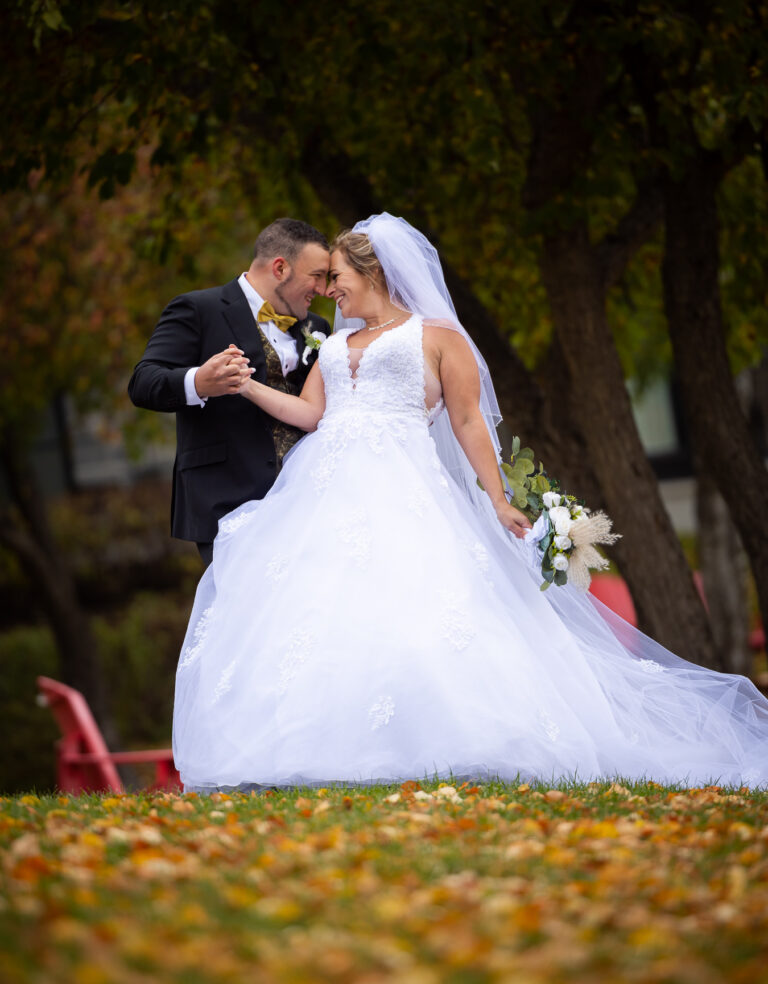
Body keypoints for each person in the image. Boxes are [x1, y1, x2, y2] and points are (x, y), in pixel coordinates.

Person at [172, 213, 768, 791]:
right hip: (322, 488)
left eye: (337, 278)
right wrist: (244, 384)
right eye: (325, 281)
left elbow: (466, 420)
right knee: (325, 610)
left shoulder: (437, 338)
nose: (330, 290)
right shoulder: (334, 344)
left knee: (421, 606)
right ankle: (321, 746)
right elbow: (309, 414)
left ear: (370, 272)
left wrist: (498, 497)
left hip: (403, 484)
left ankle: (450, 740)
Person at [128, 218, 332, 565]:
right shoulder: (198, 310)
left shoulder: (318, 328)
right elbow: (143, 382)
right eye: (317, 276)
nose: (324, 289)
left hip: (307, 499)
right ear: (280, 268)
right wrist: (198, 383)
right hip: (227, 500)